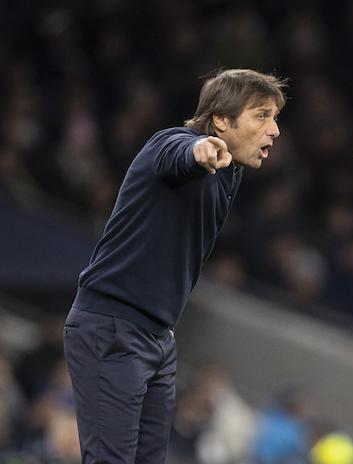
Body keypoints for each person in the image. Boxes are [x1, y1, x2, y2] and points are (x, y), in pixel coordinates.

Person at [63, 69, 286, 464]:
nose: (274, 130)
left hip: (158, 338)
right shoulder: (175, 142)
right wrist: (199, 153)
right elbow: (177, 156)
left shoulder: (230, 173)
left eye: (274, 117)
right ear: (221, 120)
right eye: (261, 116)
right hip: (113, 327)